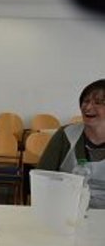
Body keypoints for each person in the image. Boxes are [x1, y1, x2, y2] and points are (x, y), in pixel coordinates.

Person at [38, 79, 105, 209]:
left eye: (98, 102)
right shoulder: (66, 134)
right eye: (85, 101)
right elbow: (42, 177)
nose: (88, 107)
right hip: (66, 210)